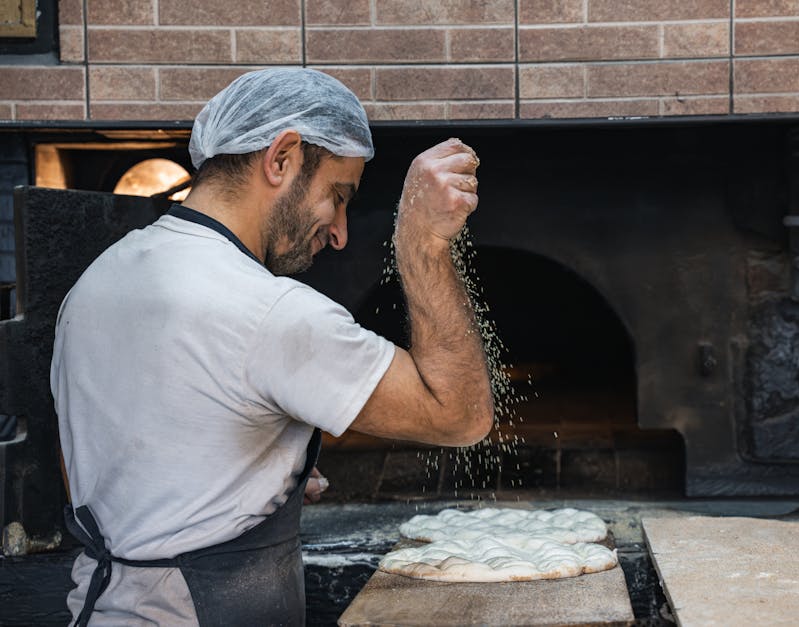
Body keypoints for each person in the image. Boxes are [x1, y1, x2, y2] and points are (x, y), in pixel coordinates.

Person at [51, 68, 494, 626]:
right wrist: (421, 244)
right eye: (338, 195)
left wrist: (229, 479)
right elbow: (461, 416)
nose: (340, 232)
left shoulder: (96, 282)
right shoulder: (270, 311)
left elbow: (86, 465)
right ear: (282, 157)